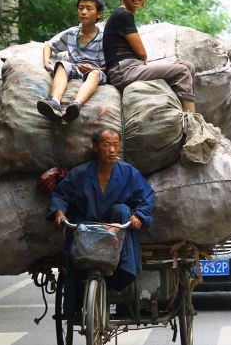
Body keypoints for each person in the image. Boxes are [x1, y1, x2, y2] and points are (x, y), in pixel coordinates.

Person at [47, 126, 155, 316]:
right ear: (95, 147)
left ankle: (121, 274)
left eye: (115, 145)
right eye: (107, 145)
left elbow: (146, 197)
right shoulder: (80, 174)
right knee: (71, 262)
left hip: (116, 234)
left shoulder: (128, 173)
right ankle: (73, 308)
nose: (112, 150)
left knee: (122, 210)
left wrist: (138, 216)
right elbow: (60, 195)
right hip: (87, 232)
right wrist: (59, 213)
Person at [103, 0, 197, 112]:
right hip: (124, 72)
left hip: (130, 68)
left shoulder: (125, 14)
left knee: (188, 66)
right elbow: (142, 54)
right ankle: (192, 122)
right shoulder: (123, 15)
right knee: (182, 71)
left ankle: (179, 112)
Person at [38, 0, 109, 122]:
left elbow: (110, 64)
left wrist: (94, 69)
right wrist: (46, 61)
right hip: (75, 68)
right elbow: (49, 45)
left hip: (96, 70)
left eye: (88, 8)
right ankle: (54, 102)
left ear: (99, 14)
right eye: (81, 8)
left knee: (94, 73)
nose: (83, 12)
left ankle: (76, 105)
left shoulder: (104, 36)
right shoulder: (71, 33)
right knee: (62, 65)